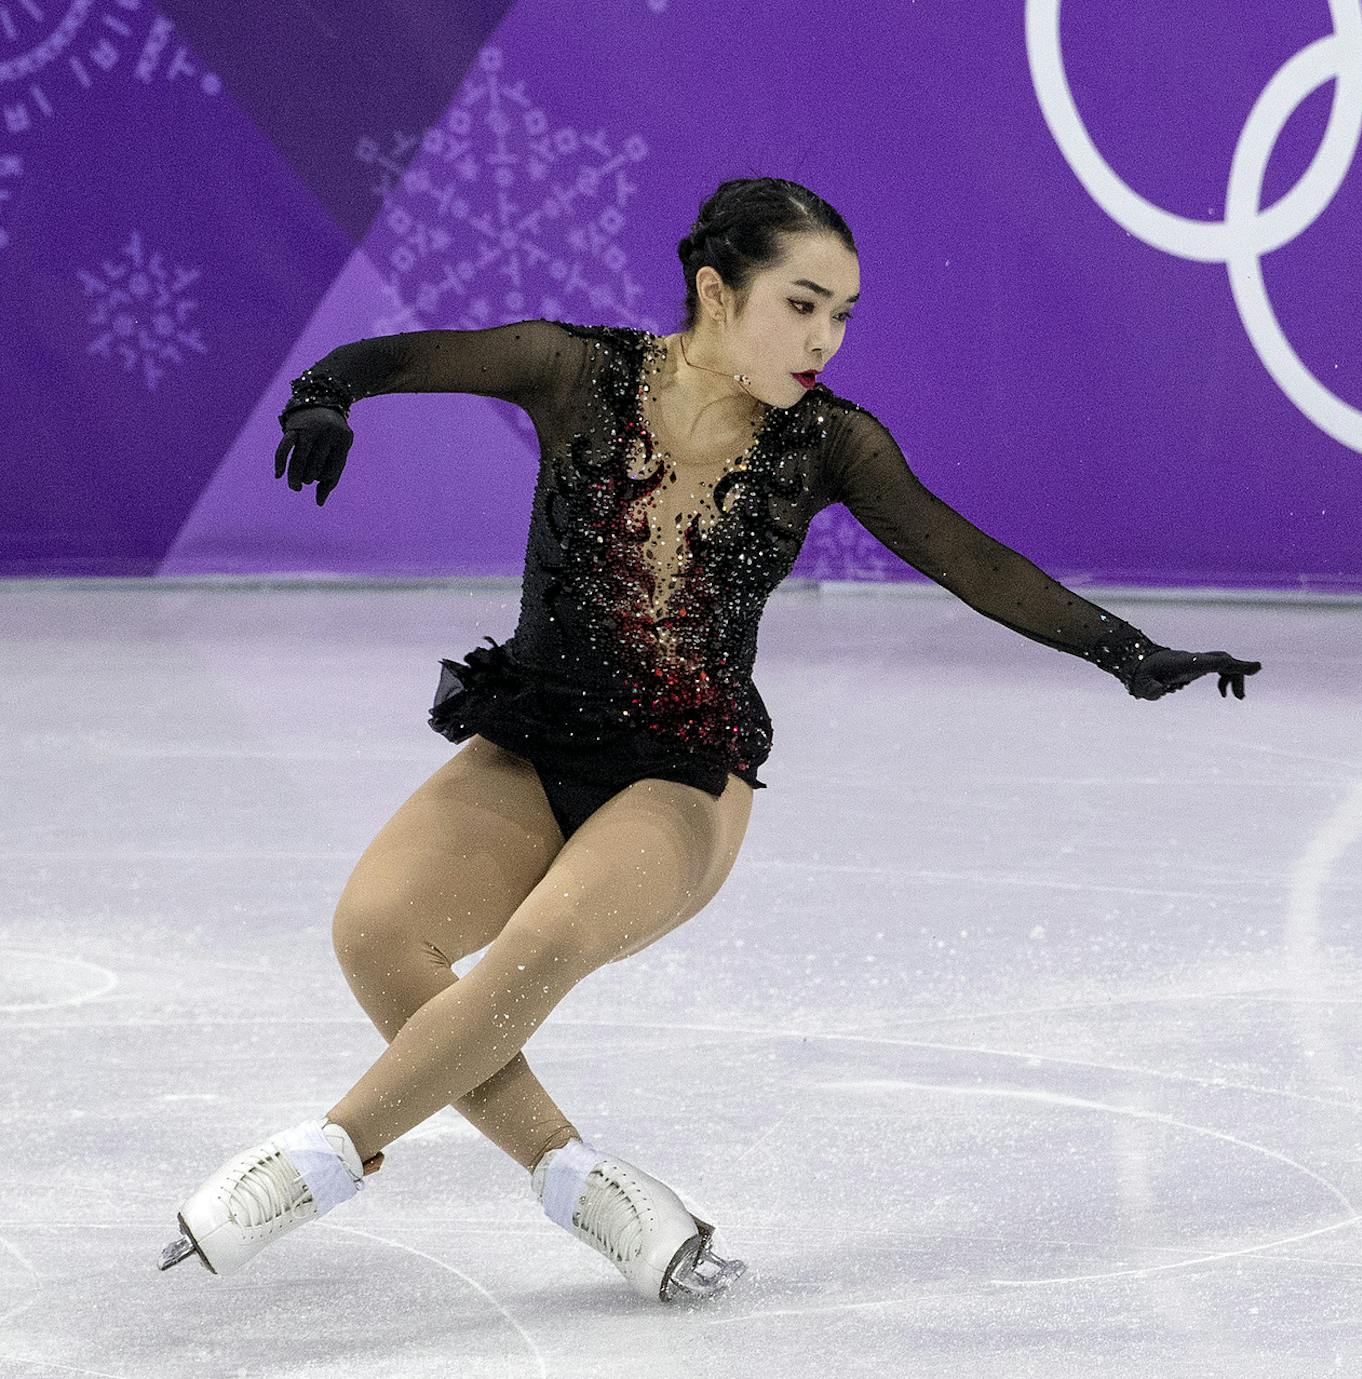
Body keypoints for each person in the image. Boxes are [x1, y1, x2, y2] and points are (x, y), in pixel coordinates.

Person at [157, 177, 1262, 1302]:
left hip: (680, 774)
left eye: (843, 313)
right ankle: (581, 1181)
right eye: (802, 303)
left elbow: (964, 556)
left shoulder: (830, 442)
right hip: (536, 741)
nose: (825, 337)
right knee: (377, 932)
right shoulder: (573, 370)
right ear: (715, 291)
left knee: (545, 938)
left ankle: (315, 1160)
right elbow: (397, 357)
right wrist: (320, 396)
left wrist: (1127, 652)